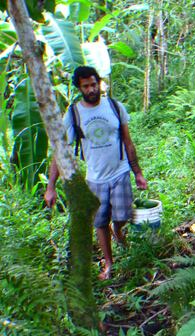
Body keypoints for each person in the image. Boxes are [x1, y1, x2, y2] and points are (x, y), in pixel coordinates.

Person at [44, 66, 147, 280]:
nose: (91, 89)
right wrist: (50, 186)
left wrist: (138, 173)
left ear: (98, 82)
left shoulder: (114, 107)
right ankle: (109, 263)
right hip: (95, 178)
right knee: (100, 222)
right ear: (79, 88)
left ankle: (118, 231)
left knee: (123, 215)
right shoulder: (73, 114)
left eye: (93, 84)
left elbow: (128, 141)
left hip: (120, 172)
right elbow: (60, 151)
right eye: (86, 86)